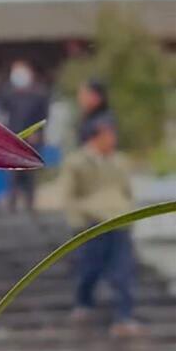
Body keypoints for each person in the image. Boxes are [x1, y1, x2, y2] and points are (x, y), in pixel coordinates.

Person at [61, 111, 142, 336]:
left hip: (119, 222)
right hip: (92, 224)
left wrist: (130, 214)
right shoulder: (77, 162)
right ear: (96, 137)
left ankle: (124, 317)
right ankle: (83, 302)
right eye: (108, 134)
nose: (112, 139)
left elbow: (128, 191)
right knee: (90, 269)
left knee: (123, 270)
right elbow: (69, 195)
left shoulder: (120, 161)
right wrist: (77, 223)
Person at [0, 61, 49, 211]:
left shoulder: (39, 94)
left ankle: (30, 205)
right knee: (13, 173)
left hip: (32, 139)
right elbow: (1, 112)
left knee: (30, 174)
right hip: (14, 137)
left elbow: (44, 116)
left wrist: (38, 133)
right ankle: (12, 205)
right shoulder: (9, 93)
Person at [77, 78, 112, 144]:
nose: (80, 98)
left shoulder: (103, 120)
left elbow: (105, 145)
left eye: (84, 94)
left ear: (96, 97)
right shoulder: (89, 117)